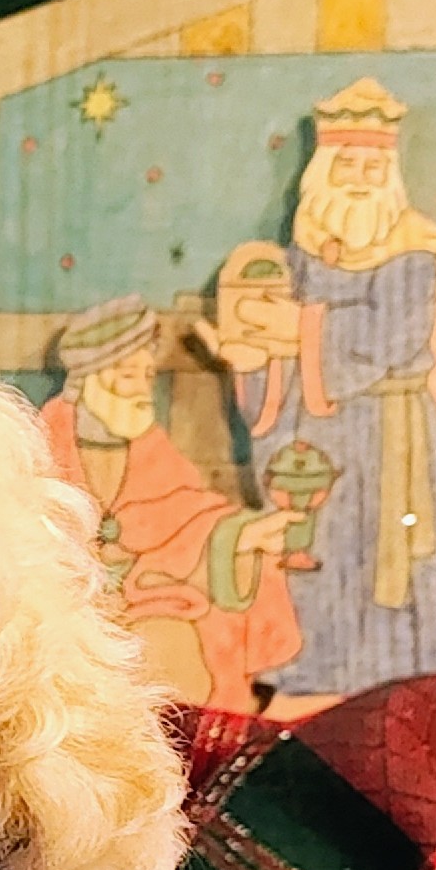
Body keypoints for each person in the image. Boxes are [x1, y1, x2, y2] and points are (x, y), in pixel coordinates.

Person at [228, 79, 436, 701]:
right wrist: (253, 361)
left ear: (390, 176)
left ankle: (402, 678)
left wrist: (298, 329)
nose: (358, 179)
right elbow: (275, 343)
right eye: (346, 165)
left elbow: (388, 340)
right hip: (314, 436)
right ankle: (316, 668)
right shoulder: (299, 258)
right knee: (319, 548)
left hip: (391, 434)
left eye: (372, 168)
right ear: (323, 171)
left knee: (389, 555)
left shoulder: (416, 255)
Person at [38, 297, 300, 710]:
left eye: (146, 375)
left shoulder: (145, 438)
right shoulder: (44, 442)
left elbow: (184, 506)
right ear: (92, 379)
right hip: (74, 594)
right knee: (167, 643)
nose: (142, 389)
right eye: (128, 375)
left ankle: (240, 714)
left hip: (145, 581)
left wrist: (238, 533)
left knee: (240, 579)